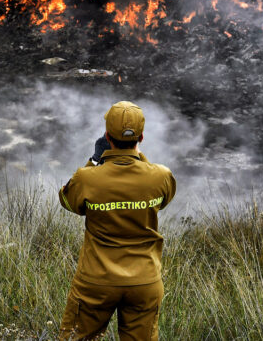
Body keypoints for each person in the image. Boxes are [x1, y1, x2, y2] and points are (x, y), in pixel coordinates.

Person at [58, 101, 177, 341]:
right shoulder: (161, 176)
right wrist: (137, 159)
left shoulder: (87, 178)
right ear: (141, 137)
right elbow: (161, 202)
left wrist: (94, 160)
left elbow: (69, 202)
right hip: (144, 281)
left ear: (106, 137)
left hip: (96, 280)